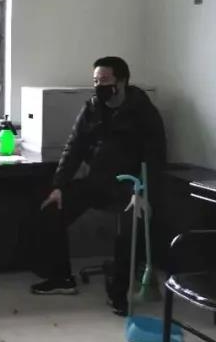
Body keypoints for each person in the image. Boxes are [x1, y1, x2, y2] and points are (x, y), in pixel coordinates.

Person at [32, 57, 166, 314]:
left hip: (130, 186)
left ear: (122, 81)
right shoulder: (92, 108)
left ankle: (119, 294)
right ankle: (61, 279)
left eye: (104, 80)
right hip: (97, 182)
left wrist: (144, 193)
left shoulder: (143, 112)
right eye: (95, 81)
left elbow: (155, 158)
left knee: (129, 229)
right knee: (51, 210)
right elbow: (74, 148)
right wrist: (59, 186)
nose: (99, 86)